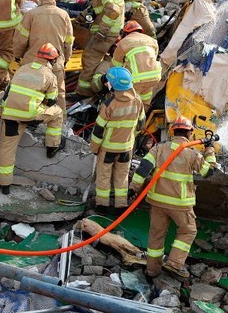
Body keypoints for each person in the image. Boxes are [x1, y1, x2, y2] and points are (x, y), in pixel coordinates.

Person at [129, 116, 217, 279]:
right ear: (190, 133)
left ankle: (152, 271)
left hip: (157, 201)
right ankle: (174, 264)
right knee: (188, 231)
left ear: (172, 132)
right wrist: (210, 150)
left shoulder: (159, 148)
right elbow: (209, 172)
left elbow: (143, 168)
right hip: (180, 204)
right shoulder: (192, 154)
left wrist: (133, 188)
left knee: (156, 235)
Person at [0, 43, 64, 195]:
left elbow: (8, 92)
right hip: (30, 115)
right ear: (52, 60)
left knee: (7, 148)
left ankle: (4, 184)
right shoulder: (50, 76)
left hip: (10, 115)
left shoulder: (22, 68)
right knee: (58, 112)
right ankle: (52, 147)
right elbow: (52, 101)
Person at [14, 0, 73, 115]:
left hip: (33, 63)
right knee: (59, 94)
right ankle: (60, 123)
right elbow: (68, 42)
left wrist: (18, 56)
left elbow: (20, 40)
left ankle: (30, 120)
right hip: (55, 63)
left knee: (30, 92)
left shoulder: (31, 15)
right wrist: (65, 59)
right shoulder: (64, 15)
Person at [89, 67, 144, 211]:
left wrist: (94, 148)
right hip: (126, 148)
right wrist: (130, 137)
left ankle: (102, 205)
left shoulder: (108, 105)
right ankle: (120, 205)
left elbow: (98, 131)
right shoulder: (138, 101)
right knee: (122, 177)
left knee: (104, 177)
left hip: (108, 149)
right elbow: (141, 124)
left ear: (112, 85)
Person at [71, 0, 125, 99]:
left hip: (107, 33)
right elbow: (97, 7)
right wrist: (82, 17)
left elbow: (113, 11)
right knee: (91, 57)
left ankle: (84, 93)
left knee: (90, 57)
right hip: (107, 31)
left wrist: (102, 31)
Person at [113, 20, 161, 106]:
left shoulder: (124, 43)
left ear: (125, 33)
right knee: (145, 99)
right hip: (154, 77)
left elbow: (116, 66)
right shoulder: (152, 40)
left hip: (135, 80)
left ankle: (132, 115)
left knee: (130, 102)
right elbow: (154, 57)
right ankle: (143, 116)